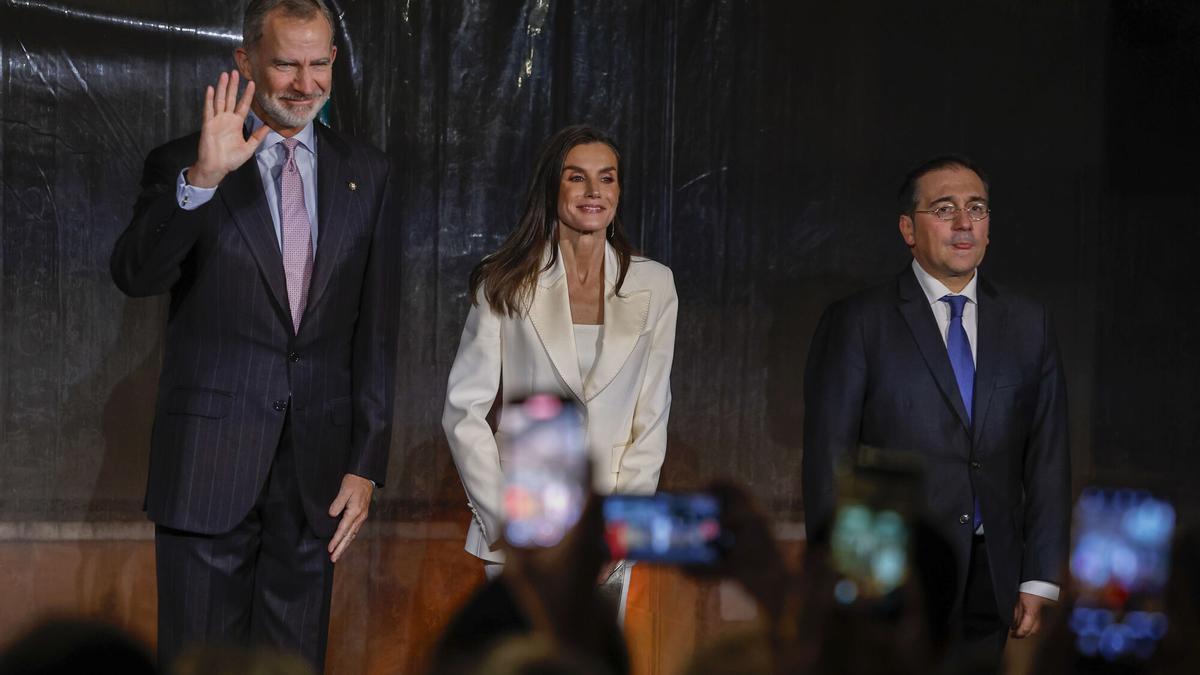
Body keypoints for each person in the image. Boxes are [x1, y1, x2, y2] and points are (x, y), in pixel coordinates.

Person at [110, 0, 401, 668]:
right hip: (207, 466)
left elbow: (377, 329)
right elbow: (136, 273)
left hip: (318, 472)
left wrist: (366, 459)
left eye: (319, 63)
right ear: (244, 61)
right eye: (286, 63)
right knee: (200, 659)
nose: (306, 83)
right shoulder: (185, 161)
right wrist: (203, 180)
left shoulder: (369, 171)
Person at [801, 155, 1070, 667]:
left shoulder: (1029, 323)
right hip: (891, 579)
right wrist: (849, 584)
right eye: (945, 209)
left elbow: (1048, 456)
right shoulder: (858, 322)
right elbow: (830, 462)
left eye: (977, 208)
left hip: (992, 577)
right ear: (908, 228)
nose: (965, 223)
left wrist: (1040, 574)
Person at [442, 125, 678, 581]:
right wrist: (508, 523)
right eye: (577, 177)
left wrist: (618, 536)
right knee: (518, 655)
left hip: (605, 537)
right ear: (552, 187)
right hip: (522, 532)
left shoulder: (655, 285)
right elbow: (462, 410)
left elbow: (651, 420)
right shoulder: (505, 280)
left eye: (606, 178)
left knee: (593, 656)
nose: (594, 191)